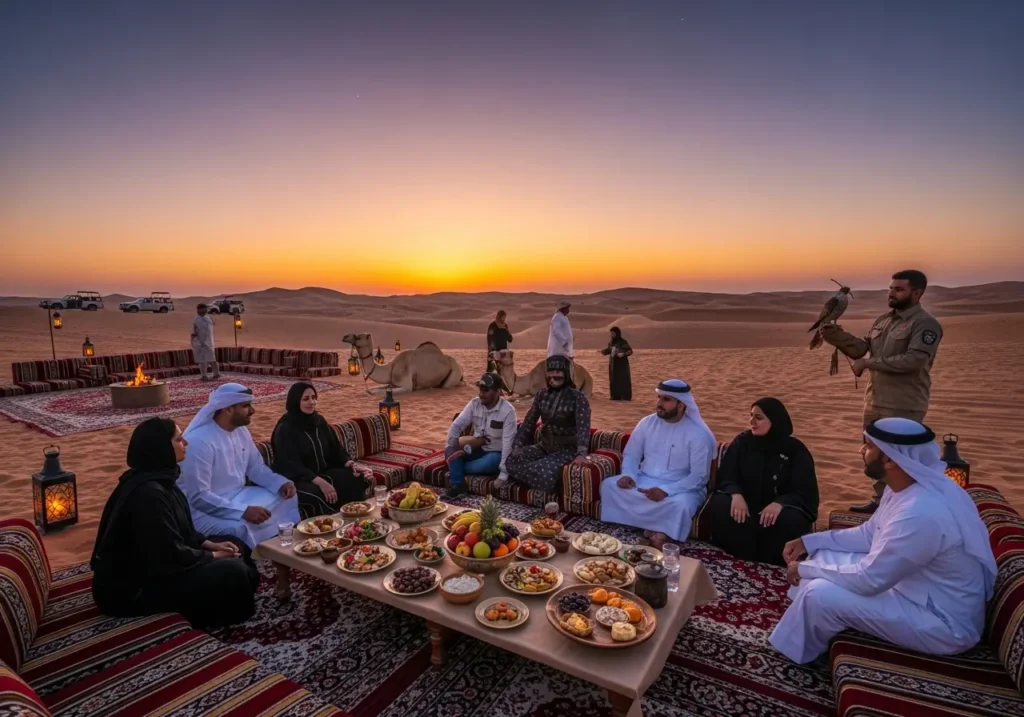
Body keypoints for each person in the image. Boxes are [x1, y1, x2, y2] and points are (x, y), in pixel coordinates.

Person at [769, 418, 996, 664]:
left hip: (941, 623)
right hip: (914, 590)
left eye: (868, 446)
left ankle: (789, 658)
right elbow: (869, 535)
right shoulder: (904, 488)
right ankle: (806, 624)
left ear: (889, 459)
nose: (861, 450)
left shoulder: (920, 513)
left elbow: (869, 580)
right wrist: (810, 542)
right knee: (824, 554)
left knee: (819, 594)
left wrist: (804, 569)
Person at [91, 417, 259, 628]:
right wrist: (214, 556)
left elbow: (181, 529)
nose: (186, 443)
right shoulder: (148, 494)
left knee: (236, 544)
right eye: (179, 440)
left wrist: (209, 544)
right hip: (135, 588)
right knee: (232, 571)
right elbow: (168, 553)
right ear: (161, 448)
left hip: (163, 565)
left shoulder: (162, 479)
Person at [820, 269, 943, 514]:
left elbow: (914, 360)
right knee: (874, 457)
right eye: (891, 288)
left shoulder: (925, 324)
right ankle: (880, 503)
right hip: (874, 401)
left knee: (899, 461)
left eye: (899, 289)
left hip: (903, 403)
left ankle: (904, 509)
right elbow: (864, 349)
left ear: (917, 293)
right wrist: (839, 338)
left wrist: (868, 363)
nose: (892, 293)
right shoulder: (883, 320)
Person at [178, 382, 299, 548]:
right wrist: (243, 511)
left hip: (239, 495)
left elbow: (255, 468)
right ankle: (260, 557)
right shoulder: (199, 442)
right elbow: (199, 497)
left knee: (286, 498)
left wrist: (280, 483)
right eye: (245, 406)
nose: (252, 410)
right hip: (203, 511)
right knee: (240, 527)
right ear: (227, 409)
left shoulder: (241, 431)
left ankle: (283, 548)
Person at [600, 379, 716, 547]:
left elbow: (699, 477)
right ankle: (657, 528)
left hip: (681, 488)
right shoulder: (647, 423)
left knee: (681, 505)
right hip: (643, 480)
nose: (659, 403)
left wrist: (666, 491)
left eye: (666, 399)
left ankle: (658, 532)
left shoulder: (698, 434)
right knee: (609, 485)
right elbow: (632, 454)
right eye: (659, 398)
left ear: (681, 405)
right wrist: (628, 475)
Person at [707, 398, 818, 565]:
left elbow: (805, 490)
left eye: (758, 418)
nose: (751, 421)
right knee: (720, 504)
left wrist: (780, 503)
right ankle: (738, 554)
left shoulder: (795, 450)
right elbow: (727, 475)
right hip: (745, 507)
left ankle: (773, 559)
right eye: (751, 416)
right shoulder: (742, 442)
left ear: (774, 420)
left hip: (777, 513)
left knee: (792, 520)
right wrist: (736, 494)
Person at [271, 382, 375, 518]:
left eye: (314, 397)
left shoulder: (318, 421)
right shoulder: (285, 429)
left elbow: (336, 449)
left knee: (354, 476)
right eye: (306, 399)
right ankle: (331, 523)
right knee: (315, 493)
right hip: (299, 479)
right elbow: (291, 465)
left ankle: (355, 516)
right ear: (295, 401)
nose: (312, 402)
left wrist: (352, 465)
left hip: (322, 473)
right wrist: (320, 482)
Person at [504, 354, 591, 493]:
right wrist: (518, 446)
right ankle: (539, 478)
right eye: (550, 372)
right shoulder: (541, 395)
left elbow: (583, 428)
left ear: (566, 373)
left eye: (558, 372)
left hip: (566, 450)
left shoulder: (578, 398)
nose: (553, 376)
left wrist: (581, 453)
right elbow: (529, 422)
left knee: (544, 474)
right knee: (511, 461)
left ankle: (538, 478)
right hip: (544, 446)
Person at [444, 372, 517, 498]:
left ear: (497, 392)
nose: (481, 394)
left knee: (492, 461)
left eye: (486, 390)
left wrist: (503, 474)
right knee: (449, 448)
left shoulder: (508, 411)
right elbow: (457, 425)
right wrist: (453, 446)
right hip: (476, 448)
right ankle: (459, 485)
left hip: (495, 454)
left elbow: (508, 443)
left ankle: (457, 467)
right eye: (481, 390)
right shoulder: (474, 404)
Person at [600, 326, 633, 400]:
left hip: (622, 365)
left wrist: (623, 354)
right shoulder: (611, 342)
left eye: (613, 333)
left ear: (617, 333)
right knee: (613, 380)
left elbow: (630, 351)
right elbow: (609, 350)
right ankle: (615, 396)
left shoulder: (623, 342)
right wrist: (603, 352)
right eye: (611, 333)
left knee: (623, 379)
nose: (612, 335)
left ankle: (625, 397)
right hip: (613, 364)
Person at [190, 303, 219, 381]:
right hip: (200, 343)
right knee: (202, 361)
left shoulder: (208, 318)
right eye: (201, 310)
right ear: (198, 310)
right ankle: (204, 375)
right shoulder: (196, 320)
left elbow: (211, 326)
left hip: (210, 343)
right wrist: (194, 342)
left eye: (204, 310)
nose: (203, 311)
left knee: (212, 360)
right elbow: (193, 332)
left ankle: (216, 374)